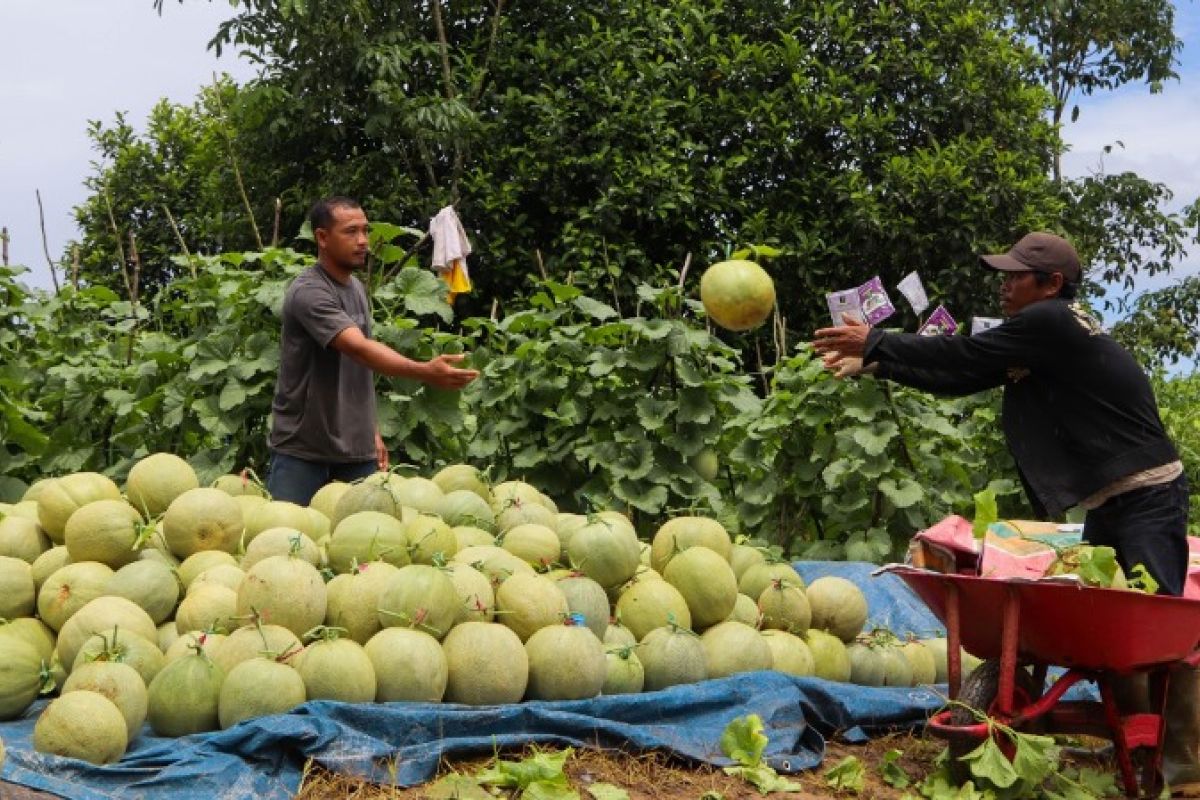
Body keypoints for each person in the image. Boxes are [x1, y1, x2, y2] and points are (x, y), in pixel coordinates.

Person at [812, 231, 1198, 795]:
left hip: (1148, 497)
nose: (1004, 283)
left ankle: (1184, 770)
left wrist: (876, 339)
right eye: (1005, 273)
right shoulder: (1045, 333)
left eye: (1016, 275)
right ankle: (1135, 748)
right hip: (1113, 501)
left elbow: (961, 355)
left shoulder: (1051, 324)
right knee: (1123, 633)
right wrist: (876, 363)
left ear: (1052, 285)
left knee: (1159, 635)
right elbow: (964, 375)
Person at [266, 196, 479, 506]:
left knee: (366, 540)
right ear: (322, 238)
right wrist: (424, 371)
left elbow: (359, 371)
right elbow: (361, 350)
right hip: (303, 450)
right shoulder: (309, 291)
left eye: (365, 231)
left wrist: (373, 431)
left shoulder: (355, 289)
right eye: (351, 232)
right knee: (286, 539)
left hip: (356, 450)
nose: (363, 241)